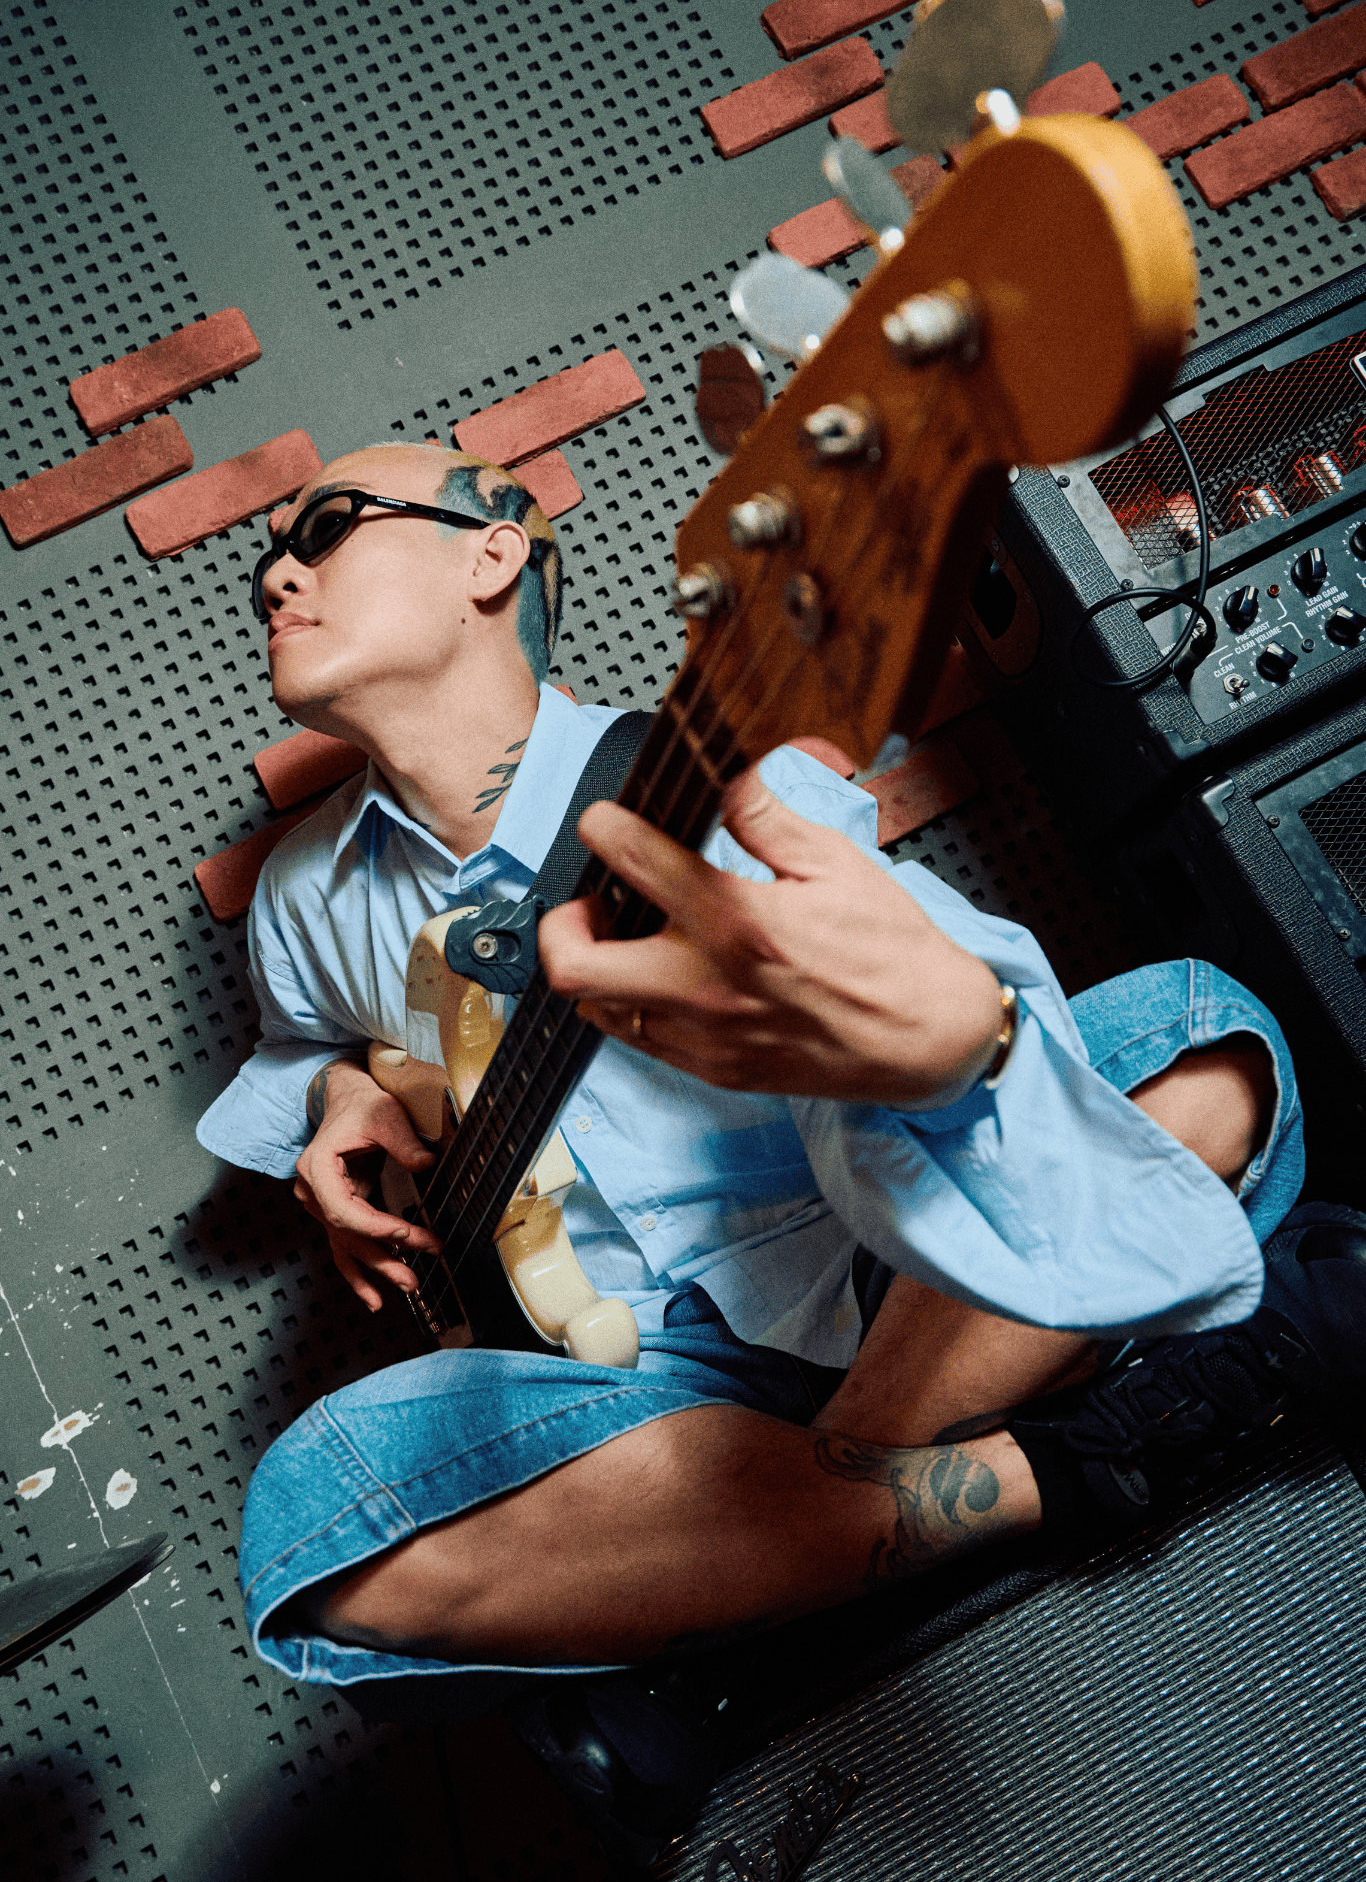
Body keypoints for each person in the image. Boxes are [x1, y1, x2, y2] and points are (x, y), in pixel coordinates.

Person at [198, 440, 1365, 1870]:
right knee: (314, 1540)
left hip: (905, 1278)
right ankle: (1070, 1459)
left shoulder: (720, 798)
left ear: (490, 554)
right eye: (272, 553)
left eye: (326, 525)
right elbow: (301, 1045)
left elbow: (981, 1037)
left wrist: (962, 1035)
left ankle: (751, 1603)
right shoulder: (306, 897)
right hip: (654, 1396)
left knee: (1202, 1041)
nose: (278, 572)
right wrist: (338, 1100)